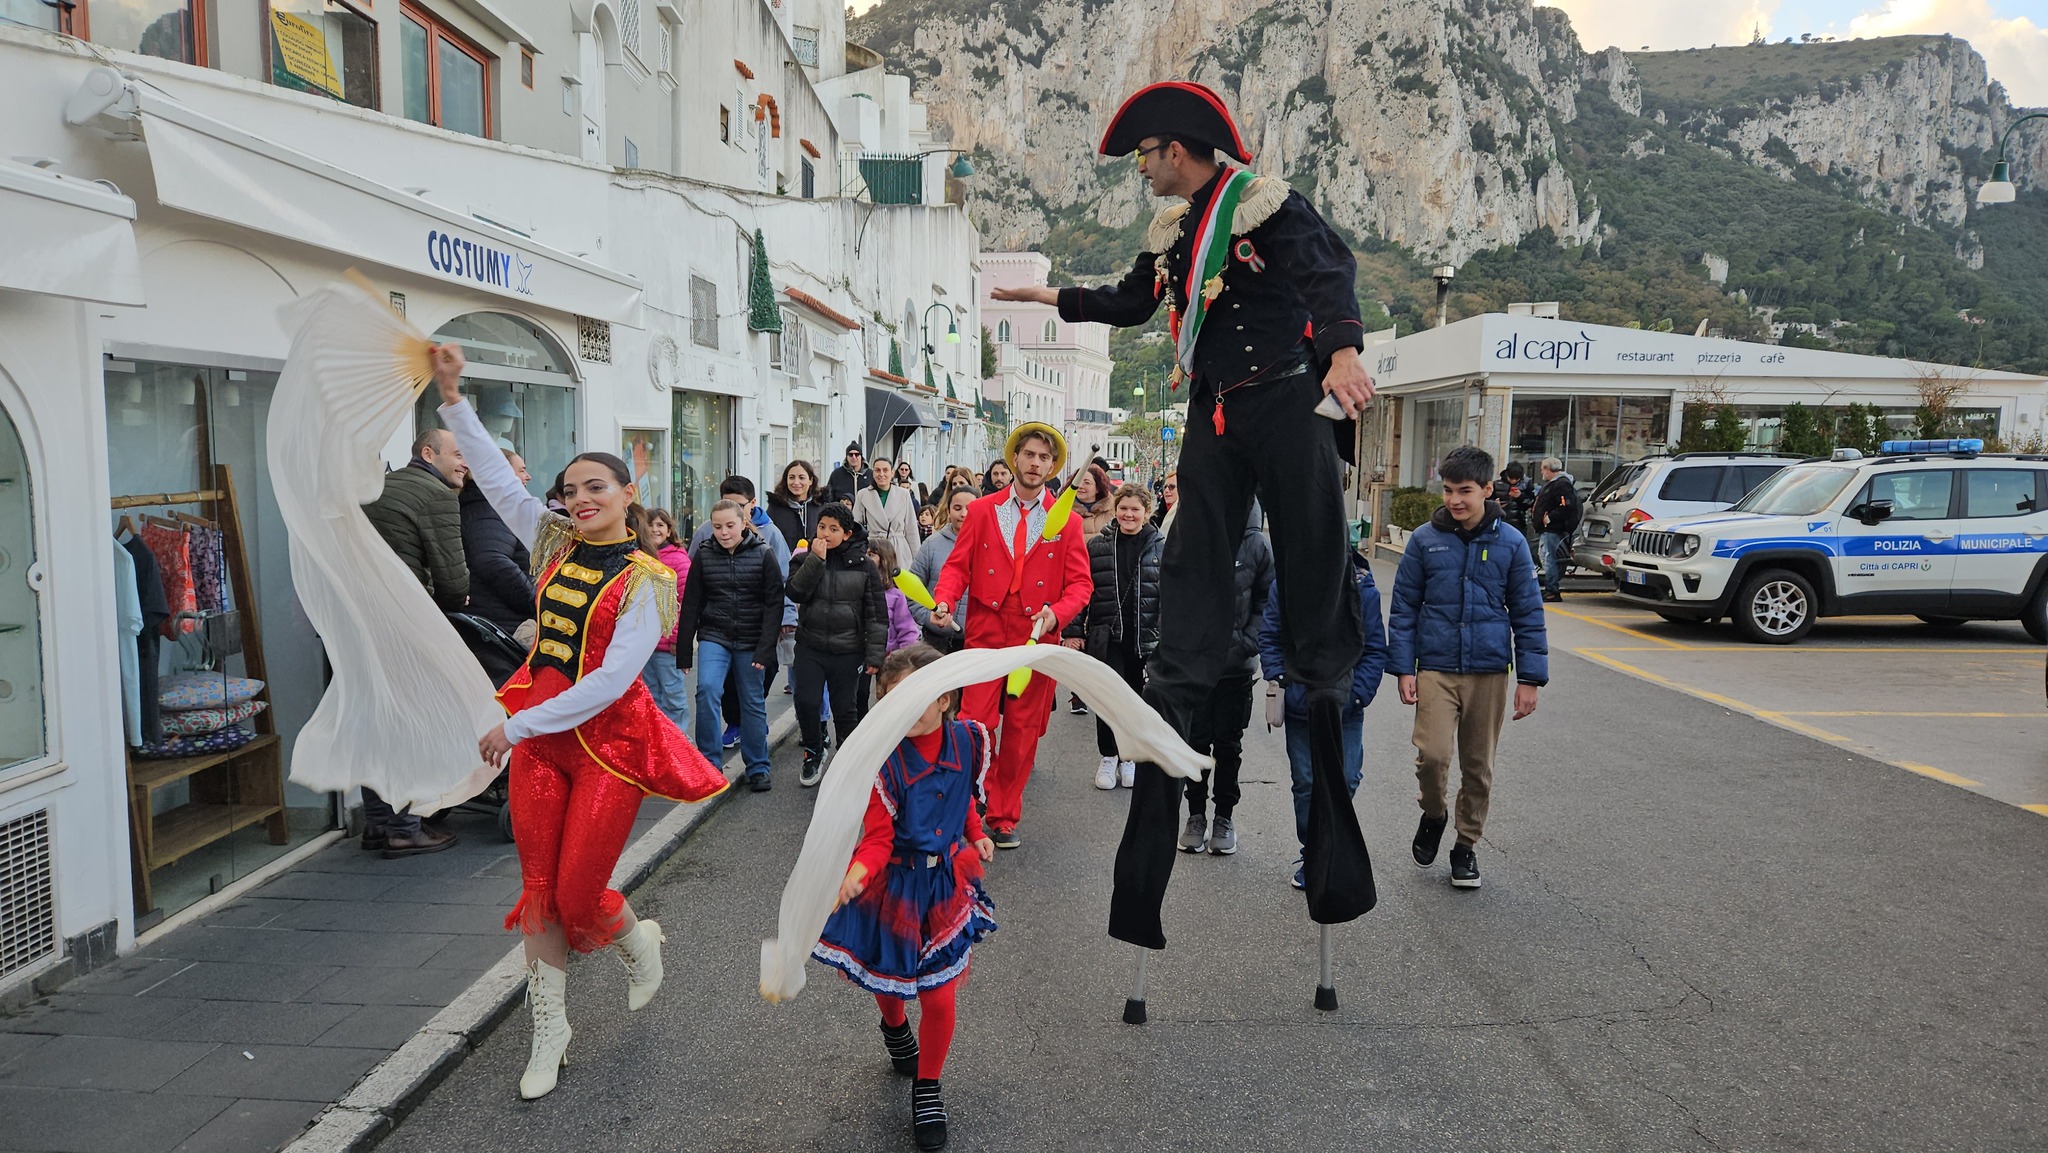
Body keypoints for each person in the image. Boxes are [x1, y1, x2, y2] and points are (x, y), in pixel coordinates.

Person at [995, 81, 1376, 939]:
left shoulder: (1264, 207)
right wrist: (1052, 299)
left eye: (1144, 158)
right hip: (1217, 410)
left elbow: (1329, 272)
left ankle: (1322, 674)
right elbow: (1132, 302)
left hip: (1286, 400)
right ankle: (1180, 676)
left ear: (1177, 149)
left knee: (1312, 545)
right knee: (1194, 551)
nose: (1140, 173)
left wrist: (1344, 350)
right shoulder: (1174, 235)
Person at [434, 345, 726, 1101]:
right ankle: (550, 1031)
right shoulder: (552, 542)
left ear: (631, 492)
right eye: (570, 490)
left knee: (576, 894)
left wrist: (517, 727)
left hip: (610, 749)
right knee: (537, 890)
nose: (581, 498)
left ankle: (637, 938)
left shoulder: (648, 580)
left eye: (597, 486)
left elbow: (609, 683)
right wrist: (452, 395)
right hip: (540, 741)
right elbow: (497, 482)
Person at [813, 644, 997, 1153]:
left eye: (917, 697)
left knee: (939, 994)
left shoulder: (971, 741)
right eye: (892, 700)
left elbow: (965, 801)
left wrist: (975, 832)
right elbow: (876, 838)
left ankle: (928, 1087)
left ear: (946, 698)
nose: (905, 709)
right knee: (890, 979)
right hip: (892, 883)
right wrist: (855, 875)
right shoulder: (883, 762)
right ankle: (894, 1029)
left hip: (942, 885)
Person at [1388, 445, 1548, 890]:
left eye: (1465, 491)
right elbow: (1403, 609)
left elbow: (1528, 612)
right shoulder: (1424, 540)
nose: (1455, 500)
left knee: (1478, 766)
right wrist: (1403, 668)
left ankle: (1465, 846)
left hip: (1489, 671)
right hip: (1436, 667)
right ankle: (1434, 813)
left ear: (1487, 490)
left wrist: (1530, 678)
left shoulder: (1511, 543)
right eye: (1448, 490)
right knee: (1433, 756)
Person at [928, 424, 1092, 850]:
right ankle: (970, 805)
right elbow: (957, 567)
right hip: (984, 632)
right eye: (1029, 455)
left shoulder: (1068, 522)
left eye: (1044, 458)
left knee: (1021, 734)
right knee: (974, 725)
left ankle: (1002, 815)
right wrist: (945, 600)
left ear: (1052, 466)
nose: (1036, 464)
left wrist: (1056, 614)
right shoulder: (981, 510)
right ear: (1014, 459)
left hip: (1035, 639)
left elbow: (1081, 586)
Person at [360, 426, 470, 858]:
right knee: (410, 724)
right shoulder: (436, 494)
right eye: (458, 453)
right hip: (404, 624)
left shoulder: (383, 486)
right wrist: (451, 605)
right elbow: (451, 576)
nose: (465, 462)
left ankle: (377, 822)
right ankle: (406, 827)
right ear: (428, 452)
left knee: (376, 724)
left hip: (364, 621)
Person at [1264, 548, 1388, 888]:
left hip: (1346, 706)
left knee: (1346, 777)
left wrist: (1359, 694)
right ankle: (1314, 852)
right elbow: (1271, 637)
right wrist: (1282, 679)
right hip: (1301, 704)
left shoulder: (1364, 590)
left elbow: (1374, 647)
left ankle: (1332, 843)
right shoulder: (1286, 586)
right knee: (1306, 783)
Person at [1178, 501, 1274, 856]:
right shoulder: (1192, 537)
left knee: (1229, 746)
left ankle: (1224, 817)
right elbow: (1178, 596)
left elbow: (1267, 600)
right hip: (1197, 666)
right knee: (1196, 743)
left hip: (1237, 668)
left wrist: (1247, 642)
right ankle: (1196, 816)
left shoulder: (1258, 545)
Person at [1062, 484, 1161, 791]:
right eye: (1123, 508)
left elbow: (1172, 595)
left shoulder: (1161, 546)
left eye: (1135, 509)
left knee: (1134, 699)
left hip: (1144, 636)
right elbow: (1079, 589)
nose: (1128, 514)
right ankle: (1108, 756)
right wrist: (1073, 630)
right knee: (1107, 699)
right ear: (1115, 510)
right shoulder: (1098, 546)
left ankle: (1128, 757)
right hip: (1107, 636)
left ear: (1146, 513)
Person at [678, 499, 782, 792]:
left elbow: (774, 603)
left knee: (751, 701)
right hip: (715, 635)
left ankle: (758, 766)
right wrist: (684, 649)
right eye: (718, 526)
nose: (724, 532)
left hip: (752, 639)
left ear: (743, 523)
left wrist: (766, 648)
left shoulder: (763, 554)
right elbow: (692, 603)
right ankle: (709, 766)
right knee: (707, 689)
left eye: (730, 526)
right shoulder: (704, 554)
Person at [787, 502, 889, 787]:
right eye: (822, 527)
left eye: (834, 529)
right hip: (810, 645)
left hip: (848, 650)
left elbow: (877, 614)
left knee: (846, 709)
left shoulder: (865, 565)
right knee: (806, 701)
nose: (826, 534)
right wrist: (815, 561)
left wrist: (874, 655)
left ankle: (848, 758)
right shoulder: (804, 557)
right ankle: (814, 751)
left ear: (846, 534)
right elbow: (795, 591)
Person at [692, 476, 795, 739]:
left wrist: (787, 616)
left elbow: (782, 581)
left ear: (751, 504)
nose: (724, 530)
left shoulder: (771, 535)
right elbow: (693, 577)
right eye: (725, 504)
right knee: (716, 684)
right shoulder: (706, 532)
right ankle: (734, 724)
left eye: (738, 506)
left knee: (758, 679)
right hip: (718, 626)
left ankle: (753, 729)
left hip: (758, 624)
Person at [460, 447, 536, 649]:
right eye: (521, 470)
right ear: (500, 472)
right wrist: (537, 601)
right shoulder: (488, 510)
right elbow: (491, 561)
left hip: (500, 626)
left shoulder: (488, 508)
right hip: (506, 631)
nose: (527, 477)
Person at [639, 509, 691, 732]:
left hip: (666, 644)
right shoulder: (639, 558)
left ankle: (678, 742)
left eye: (660, 525)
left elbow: (684, 604)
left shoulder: (679, 561)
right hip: (643, 643)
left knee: (673, 696)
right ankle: (659, 744)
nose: (654, 530)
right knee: (651, 697)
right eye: (650, 525)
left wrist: (676, 638)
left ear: (669, 530)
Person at [908, 486, 975, 653]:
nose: (964, 514)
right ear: (948, 510)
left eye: (970, 508)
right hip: (935, 640)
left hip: (972, 641)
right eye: (957, 508)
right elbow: (912, 588)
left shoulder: (989, 547)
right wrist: (927, 617)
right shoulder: (932, 544)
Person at [854, 455, 922, 567]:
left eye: (885, 470)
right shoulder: (863, 495)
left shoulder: (903, 494)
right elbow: (856, 526)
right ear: (873, 472)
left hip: (898, 549)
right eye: (877, 470)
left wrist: (918, 560)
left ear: (892, 473)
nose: (881, 474)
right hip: (873, 548)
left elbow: (911, 529)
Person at [1531, 457, 1580, 602]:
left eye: (1542, 469)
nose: (1541, 472)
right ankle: (1550, 588)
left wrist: (1549, 518)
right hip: (1547, 528)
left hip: (1552, 528)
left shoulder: (1561, 484)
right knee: (1546, 557)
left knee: (1548, 558)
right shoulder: (1554, 484)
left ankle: (1552, 590)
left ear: (1548, 469)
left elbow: (1566, 506)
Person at [870, 539, 922, 656]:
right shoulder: (859, 587)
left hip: (889, 655)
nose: (866, 558)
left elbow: (907, 631)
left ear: (884, 559)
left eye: (871, 555)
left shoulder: (896, 595)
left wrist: (902, 659)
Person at [766, 460, 824, 554]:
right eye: (791, 477)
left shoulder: (821, 506)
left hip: (815, 563)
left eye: (801, 478)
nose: (796, 482)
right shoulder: (775, 508)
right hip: (784, 565)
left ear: (810, 481)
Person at [1495, 461, 1534, 541]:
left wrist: (1520, 496)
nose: (1514, 481)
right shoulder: (1497, 484)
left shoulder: (1526, 484)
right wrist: (1495, 504)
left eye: (1517, 479)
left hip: (1519, 522)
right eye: (1511, 478)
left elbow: (1531, 502)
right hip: (1501, 521)